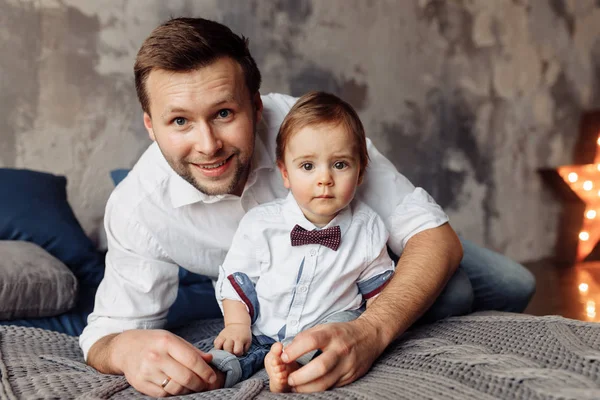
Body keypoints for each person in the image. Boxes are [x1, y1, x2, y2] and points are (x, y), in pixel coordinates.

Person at [0, 16, 529, 397]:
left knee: (508, 282)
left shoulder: (309, 126)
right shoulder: (139, 207)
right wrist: (128, 351)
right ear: (150, 124)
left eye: (225, 113)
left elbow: (435, 235)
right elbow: (106, 330)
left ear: (258, 105)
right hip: (269, 298)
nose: (207, 144)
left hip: (365, 254)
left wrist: (369, 331)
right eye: (179, 121)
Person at [209, 90, 396, 392]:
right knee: (227, 354)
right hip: (262, 330)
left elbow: (379, 291)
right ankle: (220, 372)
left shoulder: (368, 227)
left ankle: (298, 365)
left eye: (340, 165)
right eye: (308, 166)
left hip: (321, 331)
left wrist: (374, 333)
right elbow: (236, 280)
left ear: (361, 171)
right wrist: (236, 325)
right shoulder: (261, 224)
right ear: (285, 172)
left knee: (345, 323)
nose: (324, 179)